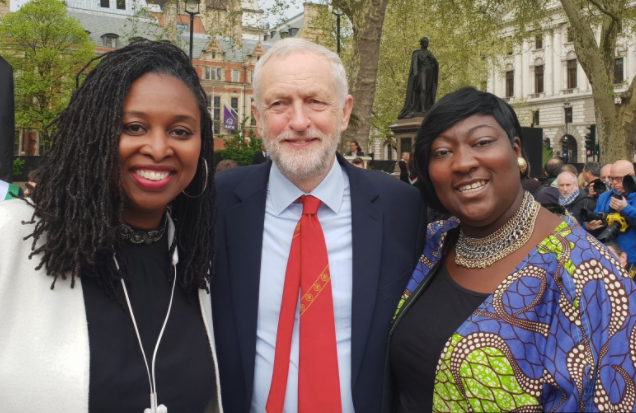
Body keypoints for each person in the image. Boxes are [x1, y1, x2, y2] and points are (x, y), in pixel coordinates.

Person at [383, 87, 636, 413]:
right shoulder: (431, 244)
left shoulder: (590, 273)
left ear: (516, 150)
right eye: (442, 152)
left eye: (482, 143)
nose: (462, 163)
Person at [0, 41, 222, 412]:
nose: (158, 147)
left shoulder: (198, 257)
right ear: (92, 136)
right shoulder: (12, 238)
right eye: (134, 127)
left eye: (181, 132)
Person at [213, 38, 427, 413]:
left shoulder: (401, 207)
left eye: (315, 101)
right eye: (279, 103)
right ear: (259, 117)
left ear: (343, 113)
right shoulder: (215, 203)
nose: (298, 121)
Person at [586, 160, 636, 264]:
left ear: (631, 175)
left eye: (618, 179)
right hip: (609, 258)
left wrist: (626, 209)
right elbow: (596, 221)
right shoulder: (605, 196)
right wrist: (589, 226)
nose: (613, 183)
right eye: (611, 178)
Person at [398, 37, 439, 119]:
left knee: (427, 90)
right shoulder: (417, 53)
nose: (427, 43)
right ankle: (423, 109)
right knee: (422, 89)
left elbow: (436, 63)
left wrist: (433, 59)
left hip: (430, 72)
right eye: (425, 42)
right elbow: (415, 64)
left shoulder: (429, 53)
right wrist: (415, 74)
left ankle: (425, 108)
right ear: (422, 43)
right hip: (421, 72)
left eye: (427, 42)